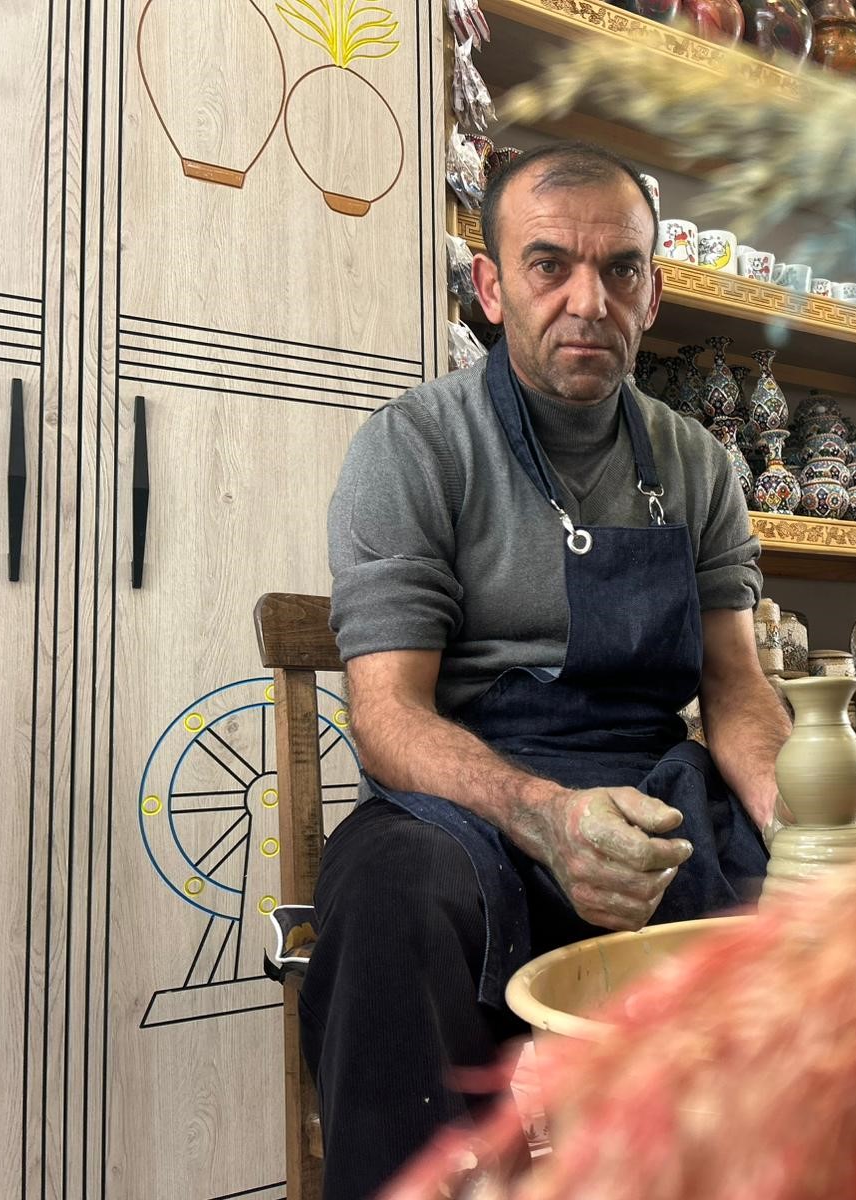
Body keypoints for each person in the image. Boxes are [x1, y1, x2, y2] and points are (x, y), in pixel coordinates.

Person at [301, 141, 790, 1199]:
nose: (587, 301)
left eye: (619, 269)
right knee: (390, 900)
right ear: (490, 288)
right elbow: (388, 714)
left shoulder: (699, 464)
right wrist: (542, 817)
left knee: (807, 902)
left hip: (651, 786)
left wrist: (799, 816)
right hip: (465, 796)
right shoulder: (415, 448)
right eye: (548, 265)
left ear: (652, 292)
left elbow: (735, 685)